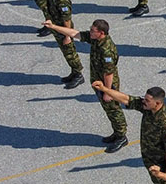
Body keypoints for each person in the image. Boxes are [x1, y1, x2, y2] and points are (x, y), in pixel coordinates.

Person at [42, 18, 128, 152]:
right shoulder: (96, 39)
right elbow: (74, 33)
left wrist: (107, 91)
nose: (90, 32)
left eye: (93, 31)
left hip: (107, 84)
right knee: (108, 110)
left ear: (102, 33)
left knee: (113, 110)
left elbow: (108, 73)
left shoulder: (106, 50)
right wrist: (53, 26)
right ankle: (117, 133)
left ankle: (121, 136)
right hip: (100, 82)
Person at [5, 0, 84, 88]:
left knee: (69, 52)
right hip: (55, 26)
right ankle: (74, 72)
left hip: (63, 29)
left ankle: (78, 75)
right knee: (65, 52)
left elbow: (67, 20)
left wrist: (68, 36)